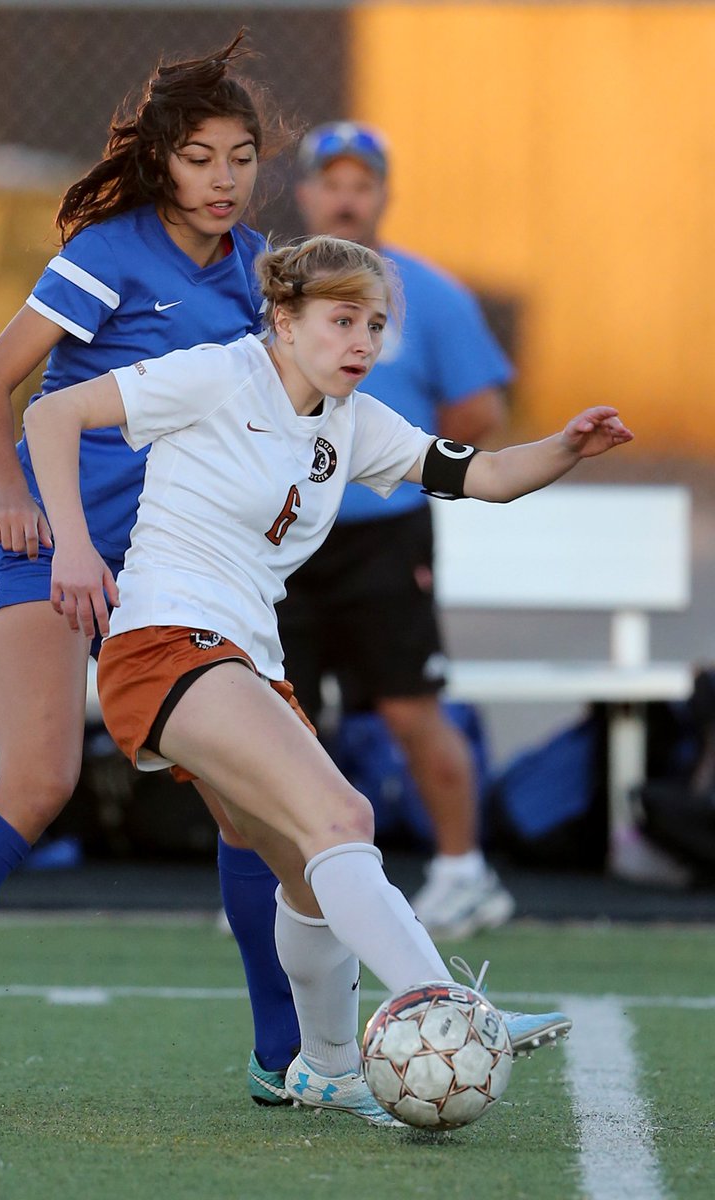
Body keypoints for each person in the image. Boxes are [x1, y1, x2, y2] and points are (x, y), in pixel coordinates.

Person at [21, 234, 628, 1121]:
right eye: (341, 320)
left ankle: (327, 1066)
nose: (361, 341)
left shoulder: (355, 421)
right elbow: (49, 415)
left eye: (375, 324)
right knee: (345, 817)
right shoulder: (220, 373)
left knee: (307, 868)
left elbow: (487, 474)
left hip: (244, 662)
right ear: (284, 320)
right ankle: (451, 1005)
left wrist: (567, 446)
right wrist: (72, 547)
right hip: (164, 643)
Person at [0, 32, 304, 1118]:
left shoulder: (253, 272)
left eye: (241, 156)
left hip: (161, 571)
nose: (225, 177)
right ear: (161, 161)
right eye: (200, 155)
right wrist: (15, 498)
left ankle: (283, 1059)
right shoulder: (110, 248)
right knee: (39, 781)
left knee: (243, 804)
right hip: (47, 549)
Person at [280, 121, 516, 938]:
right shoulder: (271, 291)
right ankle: (295, 881)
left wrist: (397, 458)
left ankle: (463, 873)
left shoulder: (427, 292)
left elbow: (479, 408)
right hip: (282, 536)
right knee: (283, 716)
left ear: (383, 195)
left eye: (362, 183)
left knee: (411, 707)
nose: (346, 196)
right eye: (330, 181)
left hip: (384, 537)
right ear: (305, 193)